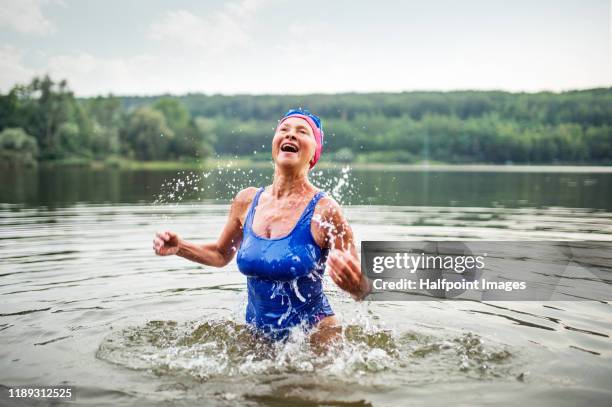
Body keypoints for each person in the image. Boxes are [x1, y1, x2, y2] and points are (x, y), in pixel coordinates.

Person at [153, 108, 370, 344]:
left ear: (314, 152)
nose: (290, 135)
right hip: (257, 336)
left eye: (302, 132)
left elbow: (363, 289)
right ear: (275, 144)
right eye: (284, 130)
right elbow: (220, 254)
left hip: (313, 340)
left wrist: (355, 285)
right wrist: (180, 247)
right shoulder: (246, 201)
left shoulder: (325, 210)